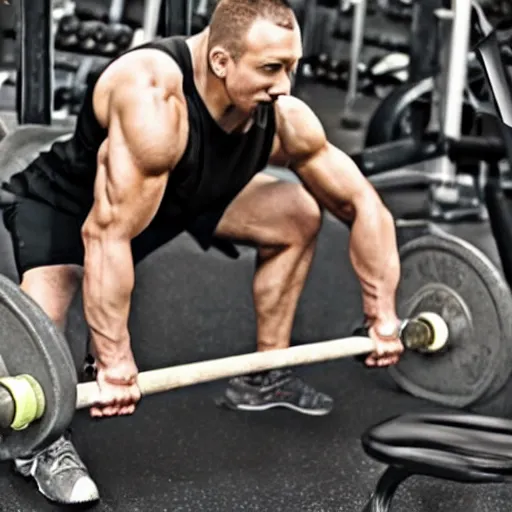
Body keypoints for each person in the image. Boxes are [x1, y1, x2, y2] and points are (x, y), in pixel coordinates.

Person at [2, 0, 404, 505]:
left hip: (178, 194)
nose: (285, 85)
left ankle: (265, 375)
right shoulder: (152, 97)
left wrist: (382, 314)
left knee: (297, 212)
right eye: (270, 68)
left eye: (292, 67)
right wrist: (113, 358)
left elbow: (364, 204)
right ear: (220, 62)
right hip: (70, 205)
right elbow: (105, 233)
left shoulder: (281, 116)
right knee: (40, 335)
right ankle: (40, 448)